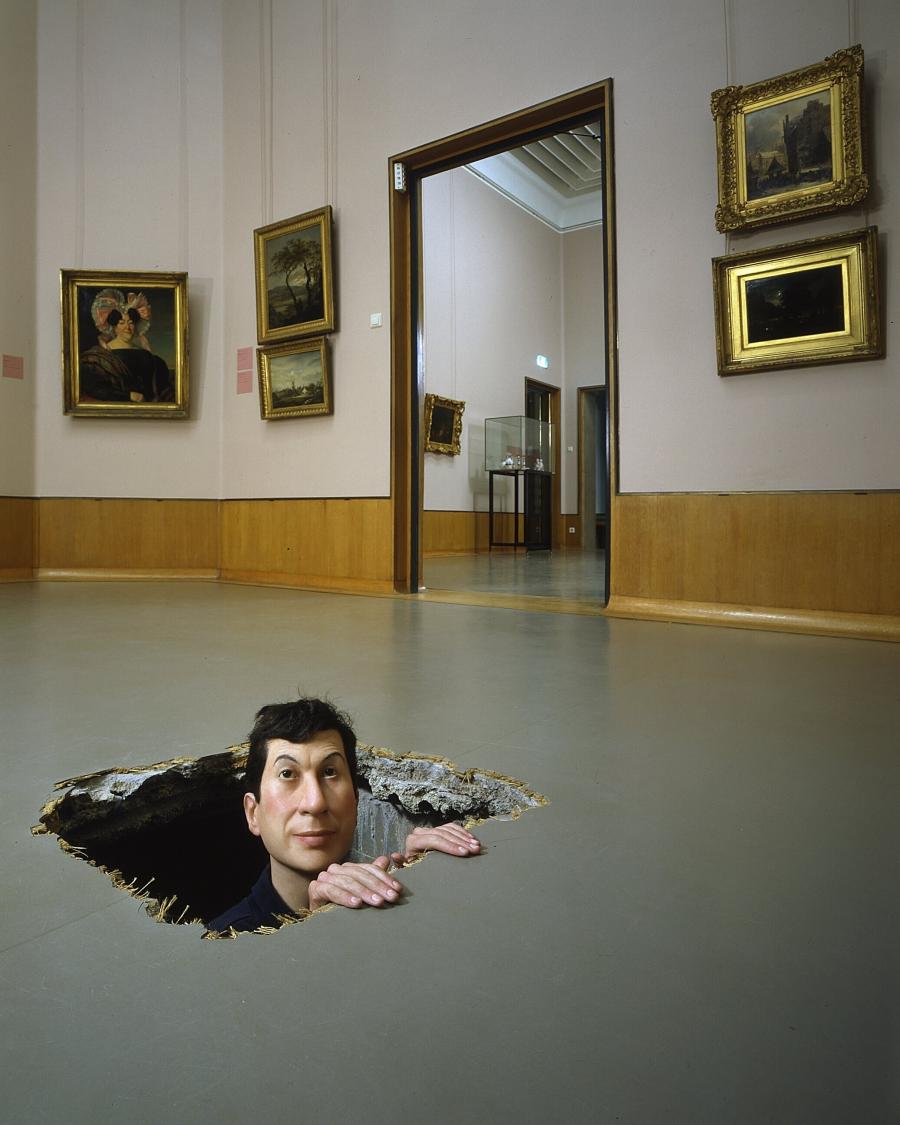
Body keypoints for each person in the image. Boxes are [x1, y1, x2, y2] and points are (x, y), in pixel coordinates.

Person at [205, 699, 481, 936]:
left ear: (356, 802)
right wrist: (320, 933)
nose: (315, 803)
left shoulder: (388, 895)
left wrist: (423, 888)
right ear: (253, 813)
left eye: (330, 772)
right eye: (287, 774)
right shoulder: (226, 942)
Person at [78, 288, 174, 403]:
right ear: (114, 326)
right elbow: (96, 389)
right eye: (121, 323)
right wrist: (128, 396)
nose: (127, 328)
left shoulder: (147, 355)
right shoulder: (99, 357)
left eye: (131, 323)